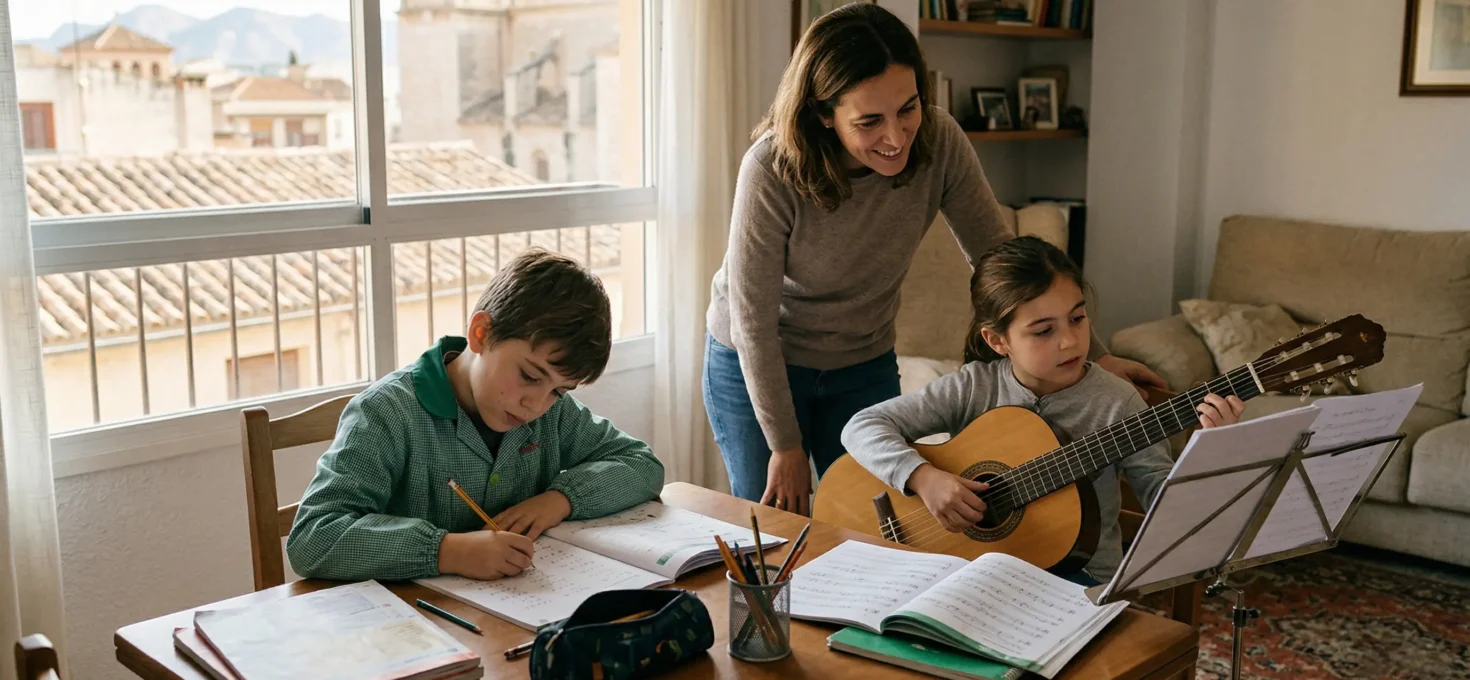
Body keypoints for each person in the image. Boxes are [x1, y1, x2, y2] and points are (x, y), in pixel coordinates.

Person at [703, 3, 1165, 515]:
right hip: (758, 361)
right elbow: (753, 323)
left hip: (861, 356)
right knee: (774, 531)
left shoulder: (939, 140)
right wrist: (784, 445)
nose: (896, 137)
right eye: (869, 121)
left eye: (908, 108)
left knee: (876, 524)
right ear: (822, 113)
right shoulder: (771, 167)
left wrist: (1093, 356)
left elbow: (1001, 259)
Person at [842, 237, 1245, 583]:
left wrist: (1213, 451)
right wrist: (923, 478)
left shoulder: (1117, 401)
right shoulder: (974, 385)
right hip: (970, 572)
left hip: (1078, 580)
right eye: (1044, 331)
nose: (1070, 341)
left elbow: (1167, 508)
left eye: (1077, 318)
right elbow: (862, 425)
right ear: (998, 340)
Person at [287, 250, 665, 582]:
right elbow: (313, 537)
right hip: (415, 631)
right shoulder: (387, 412)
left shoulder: (552, 415)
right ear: (481, 333)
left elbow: (642, 464)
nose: (535, 405)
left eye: (558, 391)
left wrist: (559, 500)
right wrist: (447, 551)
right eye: (529, 376)